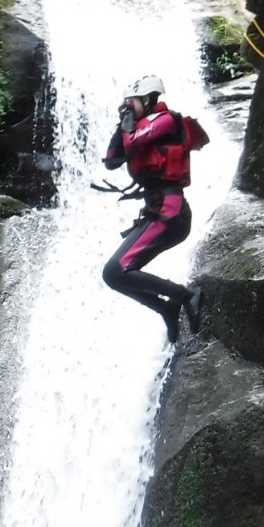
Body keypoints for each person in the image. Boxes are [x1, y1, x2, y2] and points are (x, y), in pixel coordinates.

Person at [101, 75, 203, 343]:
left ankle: (185, 295)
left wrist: (128, 126)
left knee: (116, 270)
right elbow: (111, 160)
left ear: (146, 99)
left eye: (131, 102)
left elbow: (134, 142)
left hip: (171, 212)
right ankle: (166, 308)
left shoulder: (167, 120)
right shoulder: (136, 128)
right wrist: (123, 123)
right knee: (113, 276)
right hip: (156, 212)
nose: (126, 107)